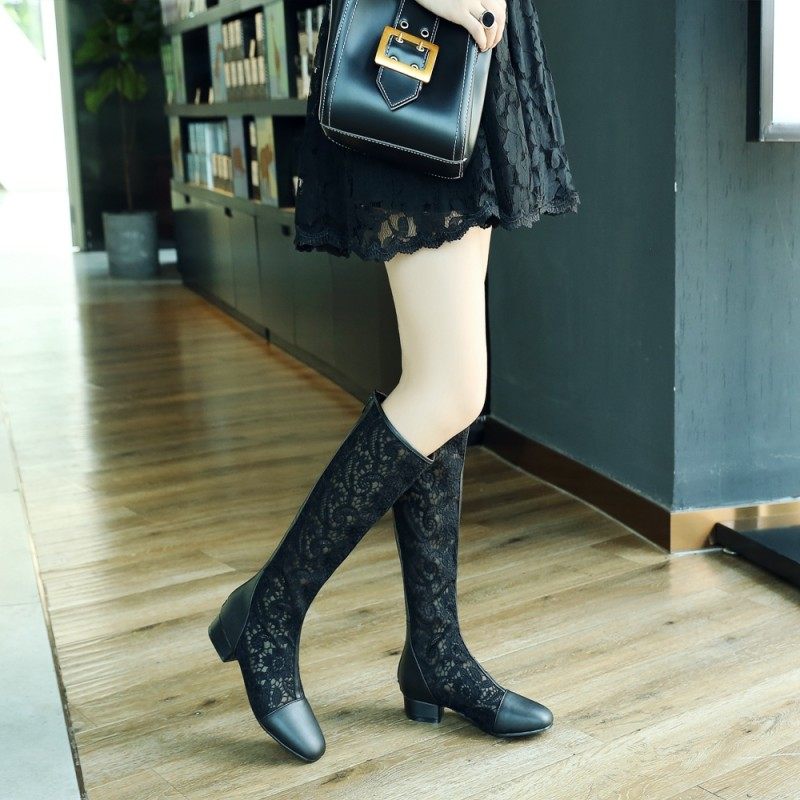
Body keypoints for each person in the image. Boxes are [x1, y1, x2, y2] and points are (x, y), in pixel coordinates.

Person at [209, 0, 580, 763]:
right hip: (417, 50)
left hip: (471, 60)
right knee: (451, 389)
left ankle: (434, 651)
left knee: (444, 387)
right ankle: (269, 609)